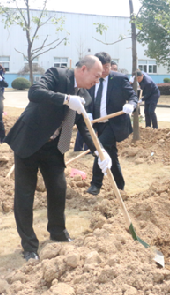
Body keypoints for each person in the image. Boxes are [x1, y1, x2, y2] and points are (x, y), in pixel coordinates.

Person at [4, 55, 112, 261]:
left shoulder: (86, 97)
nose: (98, 81)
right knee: (25, 195)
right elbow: (35, 93)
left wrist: (99, 150)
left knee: (58, 188)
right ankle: (29, 246)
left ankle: (58, 232)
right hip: (29, 141)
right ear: (83, 70)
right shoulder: (57, 75)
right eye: (96, 76)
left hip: (53, 147)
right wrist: (65, 99)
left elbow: (84, 127)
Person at [86, 52, 138, 196]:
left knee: (100, 149)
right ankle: (119, 184)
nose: (104, 71)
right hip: (99, 124)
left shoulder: (119, 79)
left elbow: (133, 96)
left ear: (110, 65)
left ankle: (95, 185)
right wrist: (88, 111)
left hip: (113, 124)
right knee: (111, 155)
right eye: (100, 68)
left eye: (107, 67)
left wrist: (131, 105)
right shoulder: (93, 79)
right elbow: (88, 98)